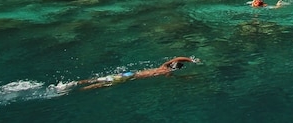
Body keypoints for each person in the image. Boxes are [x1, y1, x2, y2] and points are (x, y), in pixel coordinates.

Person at [59, 57, 199, 92]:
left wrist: (190, 59)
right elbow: (174, 80)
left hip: (129, 73)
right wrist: (188, 78)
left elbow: (177, 58)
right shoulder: (166, 73)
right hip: (130, 77)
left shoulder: (162, 66)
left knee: (100, 79)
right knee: (102, 85)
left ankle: (74, 83)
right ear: (175, 69)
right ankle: (79, 90)